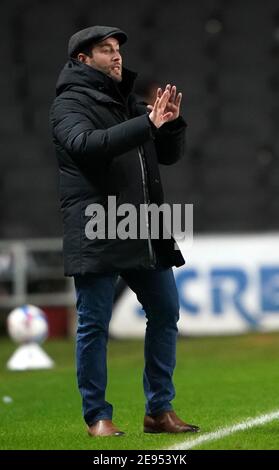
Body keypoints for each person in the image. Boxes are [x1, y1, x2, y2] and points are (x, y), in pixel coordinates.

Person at [50, 25, 199, 437]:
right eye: (105, 50)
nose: (116, 56)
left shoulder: (128, 103)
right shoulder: (68, 105)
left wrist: (169, 125)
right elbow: (88, 146)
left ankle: (159, 411)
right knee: (94, 324)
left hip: (143, 226)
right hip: (97, 226)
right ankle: (97, 415)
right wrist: (145, 124)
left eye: (117, 49)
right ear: (82, 60)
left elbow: (165, 156)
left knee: (166, 312)